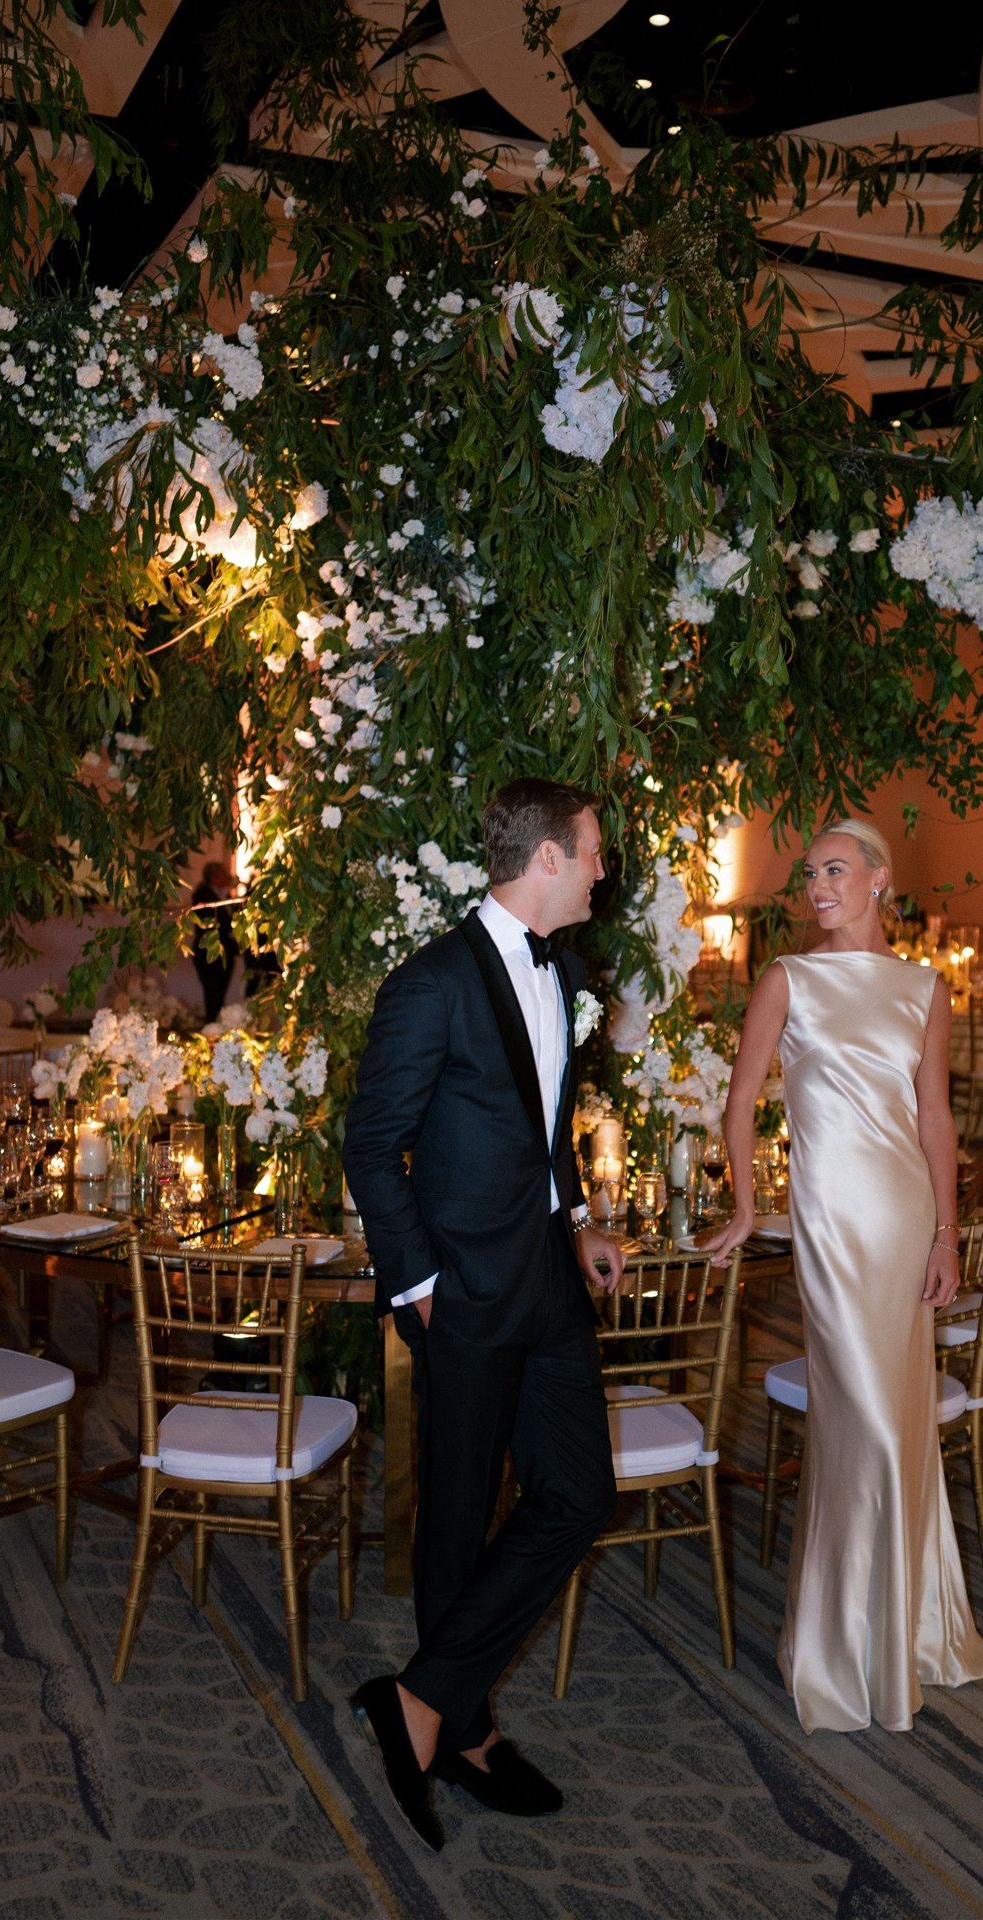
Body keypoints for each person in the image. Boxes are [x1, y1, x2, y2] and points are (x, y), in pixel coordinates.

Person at [341, 778, 623, 1850]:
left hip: (548, 1274)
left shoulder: (568, 967)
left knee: (578, 1491)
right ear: (545, 858)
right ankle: (459, 1729)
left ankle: (414, 1698)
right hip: (458, 1290)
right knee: (454, 1519)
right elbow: (373, 1144)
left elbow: (544, 1121)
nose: (603, 866)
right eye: (592, 850)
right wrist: (416, 1284)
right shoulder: (430, 983)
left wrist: (577, 1215)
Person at [704, 816, 983, 1732]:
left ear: (879, 879)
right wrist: (752, 1208)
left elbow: (935, 1120)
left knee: (900, 1423)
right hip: (830, 1227)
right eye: (808, 875)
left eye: (833, 870)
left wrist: (948, 1234)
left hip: (906, 1219)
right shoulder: (788, 980)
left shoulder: (923, 989)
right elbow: (740, 1102)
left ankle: (909, 1631)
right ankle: (841, 1648)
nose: (815, 887)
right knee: (865, 1424)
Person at [188, 860, 238, 1023]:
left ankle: (217, 1026)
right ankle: (211, 1025)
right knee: (212, 993)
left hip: (226, 952)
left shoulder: (226, 894)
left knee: (220, 994)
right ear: (214, 876)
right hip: (208, 952)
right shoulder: (201, 894)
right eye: (223, 873)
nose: (227, 877)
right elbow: (214, 921)